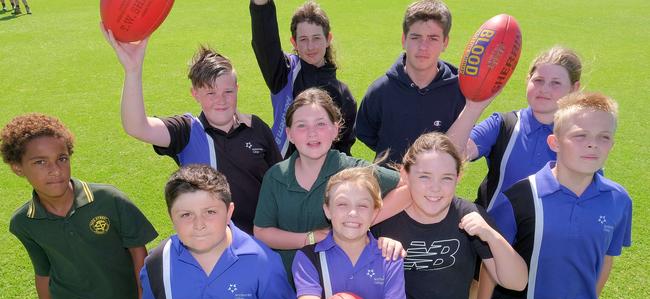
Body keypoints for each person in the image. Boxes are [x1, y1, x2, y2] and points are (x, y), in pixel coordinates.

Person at [472, 92, 632, 299]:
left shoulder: (619, 201)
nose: (592, 145)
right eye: (580, 136)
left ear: (612, 145)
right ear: (554, 142)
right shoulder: (521, 196)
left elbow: (606, 258)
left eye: (603, 137)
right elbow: (494, 255)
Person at [254, 88, 408, 299]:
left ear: (336, 129)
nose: (312, 134)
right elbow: (262, 232)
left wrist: (359, 222)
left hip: (339, 281)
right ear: (288, 132)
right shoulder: (276, 176)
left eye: (320, 124)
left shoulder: (351, 170)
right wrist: (310, 237)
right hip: (292, 278)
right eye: (301, 126)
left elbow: (407, 189)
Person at [2, 113, 158, 299]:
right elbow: (43, 273)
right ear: (18, 167)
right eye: (40, 162)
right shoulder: (23, 222)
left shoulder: (109, 199)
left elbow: (138, 252)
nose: (55, 170)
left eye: (62, 158)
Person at [102, 27, 281, 235]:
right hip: (211, 245)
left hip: (261, 240)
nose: (221, 100)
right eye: (210, 93)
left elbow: (279, 182)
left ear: (237, 89)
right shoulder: (186, 131)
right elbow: (136, 126)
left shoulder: (256, 128)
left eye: (228, 91)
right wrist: (133, 70)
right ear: (195, 94)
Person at [371, 132, 527, 299]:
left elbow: (517, 282)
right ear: (405, 174)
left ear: (459, 176)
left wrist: (491, 236)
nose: (435, 188)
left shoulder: (467, 216)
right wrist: (375, 247)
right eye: (424, 176)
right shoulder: (385, 217)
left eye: (446, 178)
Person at [139, 164, 296, 299]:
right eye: (186, 215)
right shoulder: (158, 263)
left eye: (210, 212)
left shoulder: (261, 260)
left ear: (229, 211)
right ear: (171, 216)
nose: (199, 224)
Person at [293, 167, 407, 299]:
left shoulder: (389, 257)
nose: (352, 213)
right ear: (327, 210)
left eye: (363, 206)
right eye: (342, 204)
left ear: (375, 211)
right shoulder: (308, 258)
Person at [355, 0, 490, 164]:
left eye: (433, 38)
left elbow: (462, 141)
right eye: (415, 37)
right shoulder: (381, 89)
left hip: (436, 187)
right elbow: (366, 133)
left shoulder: (460, 92)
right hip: (389, 184)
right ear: (404, 39)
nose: (423, 46)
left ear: (445, 42)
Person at [447, 46, 582, 210]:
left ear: (574, 88)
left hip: (545, 235)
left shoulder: (581, 138)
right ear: (528, 79)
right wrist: (473, 107)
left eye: (556, 83)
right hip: (490, 231)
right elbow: (448, 155)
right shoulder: (504, 124)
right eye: (538, 80)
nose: (544, 89)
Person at [250, 0, 356, 157]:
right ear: (294, 42)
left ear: (328, 39)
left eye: (316, 38)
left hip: (324, 177)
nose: (310, 46)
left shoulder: (343, 94)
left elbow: (343, 149)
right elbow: (265, 44)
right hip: (286, 174)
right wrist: (261, 5)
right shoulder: (284, 73)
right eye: (303, 39)